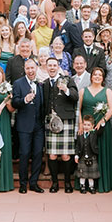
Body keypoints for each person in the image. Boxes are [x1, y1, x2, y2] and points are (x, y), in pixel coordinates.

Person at [43, 57, 78, 193]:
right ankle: (55, 183)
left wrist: (66, 90)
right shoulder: (45, 83)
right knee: (52, 155)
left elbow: (75, 96)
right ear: (46, 67)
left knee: (65, 155)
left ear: (58, 66)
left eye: (54, 65)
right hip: (51, 121)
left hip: (66, 120)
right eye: (49, 65)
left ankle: (68, 183)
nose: (52, 68)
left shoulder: (68, 80)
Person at [78, 66, 112, 192]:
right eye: (95, 75)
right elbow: (78, 109)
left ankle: (101, 183)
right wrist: (80, 125)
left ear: (103, 78)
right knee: (86, 152)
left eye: (100, 75)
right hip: (87, 126)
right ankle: (84, 183)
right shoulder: (83, 91)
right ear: (91, 77)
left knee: (101, 152)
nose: (97, 77)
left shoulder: (107, 91)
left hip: (101, 127)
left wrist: (102, 121)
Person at [11, 58, 45, 193]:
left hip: (39, 126)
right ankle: (23, 184)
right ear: (24, 69)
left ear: (36, 68)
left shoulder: (41, 84)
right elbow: (14, 102)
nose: (30, 71)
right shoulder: (18, 83)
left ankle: (34, 183)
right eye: (28, 68)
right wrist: (24, 100)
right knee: (24, 154)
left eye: (32, 68)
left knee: (37, 154)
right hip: (24, 125)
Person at [74, 114, 101, 194]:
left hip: (92, 157)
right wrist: (76, 155)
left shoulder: (94, 134)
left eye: (88, 125)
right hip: (82, 157)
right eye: (85, 124)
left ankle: (91, 187)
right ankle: (82, 186)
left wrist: (102, 122)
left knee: (91, 175)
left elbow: (101, 130)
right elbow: (78, 146)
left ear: (92, 126)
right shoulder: (80, 134)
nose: (86, 126)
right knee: (83, 174)